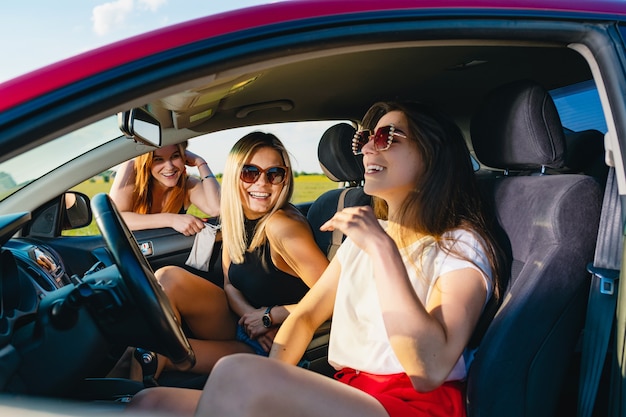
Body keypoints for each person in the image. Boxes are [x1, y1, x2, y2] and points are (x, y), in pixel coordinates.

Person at [128, 101, 505, 417]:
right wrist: (271, 381)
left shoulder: (460, 245)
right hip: (348, 388)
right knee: (153, 403)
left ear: (432, 153)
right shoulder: (369, 233)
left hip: (409, 404)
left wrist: (382, 250)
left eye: (385, 136)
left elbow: (429, 368)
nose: (367, 149)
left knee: (238, 373)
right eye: (364, 139)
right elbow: (307, 315)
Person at [143, 131, 329, 378]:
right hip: (246, 326)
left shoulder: (282, 226)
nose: (262, 183)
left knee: (156, 354)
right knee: (168, 279)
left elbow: (337, 298)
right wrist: (250, 318)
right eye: (250, 172)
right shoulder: (236, 219)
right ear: (234, 176)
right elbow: (230, 285)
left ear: (284, 179)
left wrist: (269, 317)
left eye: (274, 174)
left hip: (279, 344)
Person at [109, 141, 220, 235]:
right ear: (147, 162)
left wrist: (200, 163)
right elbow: (115, 219)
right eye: (158, 159)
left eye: (175, 156)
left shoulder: (188, 184)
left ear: (184, 157)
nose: (169, 167)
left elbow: (217, 209)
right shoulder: (131, 170)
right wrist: (171, 219)